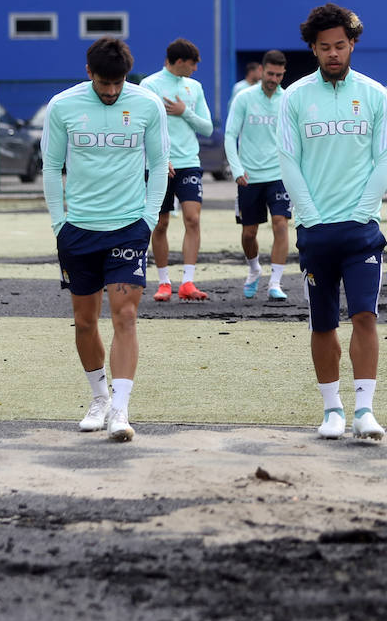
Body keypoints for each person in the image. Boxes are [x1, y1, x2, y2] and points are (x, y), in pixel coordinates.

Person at [277, 3, 387, 441]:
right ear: (313, 48)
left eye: (340, 46)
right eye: (324, 47)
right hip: (315, 229)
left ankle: (365, 410)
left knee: (365, 316)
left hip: (361, 227)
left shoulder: (374, 95)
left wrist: (365, 209)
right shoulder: (294, 97)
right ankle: (332, 411)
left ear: (352, 45)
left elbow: (385, 158)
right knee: (322, 323)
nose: (333, 54)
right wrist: (308, 214)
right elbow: (288, 160)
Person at [43, 37, 168, 441]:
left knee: (125, 314)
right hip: (78, 229)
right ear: (89, 73)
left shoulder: (147, 104)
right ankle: (98, 398)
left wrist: (148, 219)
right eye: (103, 84)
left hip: (129, 226)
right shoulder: (63, 106)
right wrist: (59, 222)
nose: (111, 92)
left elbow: (160, 162)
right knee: (84, 321)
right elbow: (50, 166)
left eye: (118, 84)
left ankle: (120, 408)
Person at [140, 38, 214, 302]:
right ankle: (163, 282)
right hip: (159, 164)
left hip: (189, 162)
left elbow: (206, 127)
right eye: (193, 64)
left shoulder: (194, 87)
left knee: (192, 218)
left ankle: (188, 282)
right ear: (180, 61)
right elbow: (142, 128)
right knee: (160, 223)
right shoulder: (149, 85)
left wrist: (185, 112)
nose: (195, 69)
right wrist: (159, 157)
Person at [224, 49, 291, 300]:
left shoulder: (287, 100)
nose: (274, 78)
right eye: (270, 73)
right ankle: (254, 270)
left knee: (280, 224)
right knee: (249, 233)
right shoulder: (244, 97)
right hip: (249, 176)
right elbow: (230, 135)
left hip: (278, 175)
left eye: (279, 74)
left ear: (284, 74)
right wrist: (236, 169)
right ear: (261, 71)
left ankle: (275, 282)